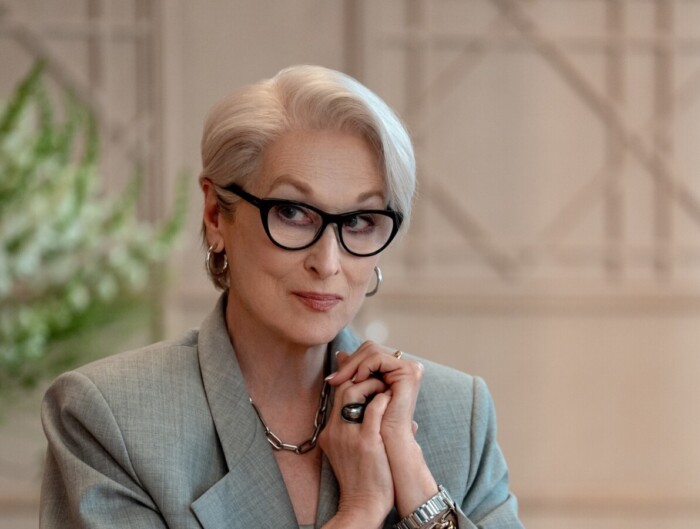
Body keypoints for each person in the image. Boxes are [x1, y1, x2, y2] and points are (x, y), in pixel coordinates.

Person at [40, 65, 524, 529]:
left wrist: (422, 498)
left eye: (359, 221)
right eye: (292, 212)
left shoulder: (455, 413)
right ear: (215, 215)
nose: (327, 262)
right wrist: (359, 511)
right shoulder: (110, 418)